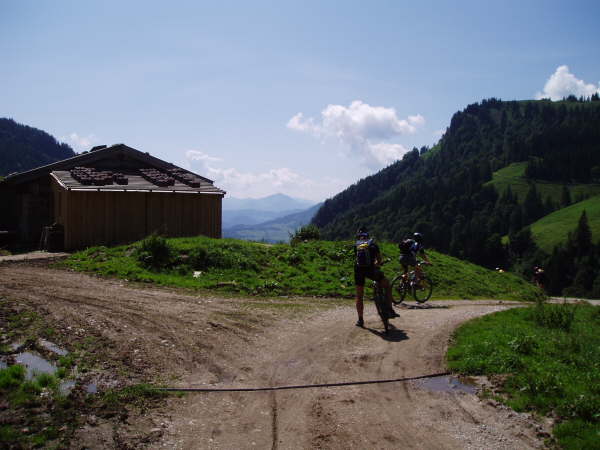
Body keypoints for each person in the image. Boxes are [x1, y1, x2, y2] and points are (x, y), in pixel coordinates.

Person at [354, 227, 398, 327]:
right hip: (371, 270)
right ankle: (390, 309)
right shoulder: (373, 245)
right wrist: (377, 264)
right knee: (387, 285)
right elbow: (379, 260)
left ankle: (360, 320)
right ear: (367, 236)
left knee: (359, 295)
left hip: (358, 271)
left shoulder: (356, 245)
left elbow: (356, 259)